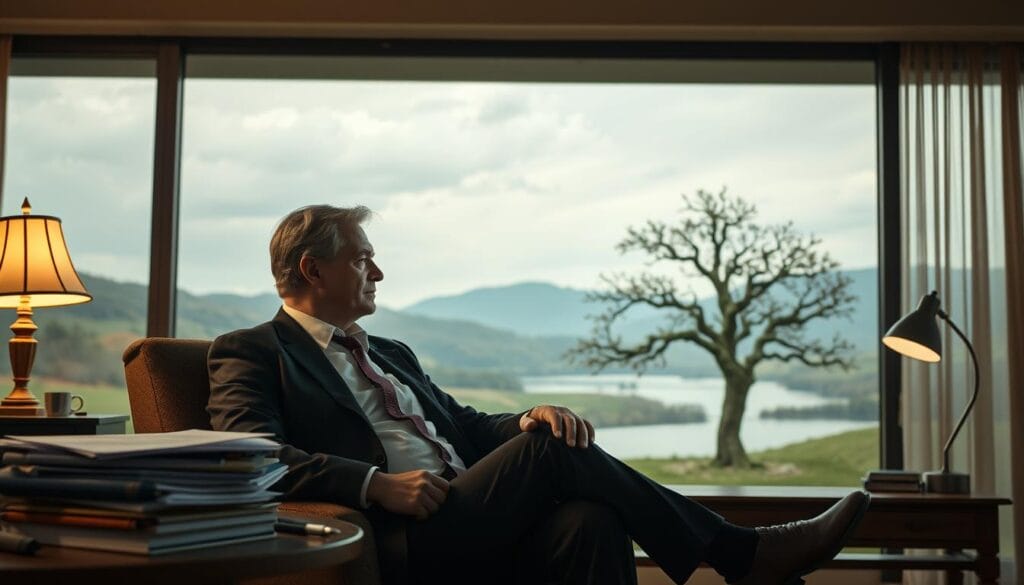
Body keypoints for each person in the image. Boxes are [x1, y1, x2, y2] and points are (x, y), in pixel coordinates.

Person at [207, 204, 870, 585]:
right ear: (312, 268)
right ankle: (740, 555)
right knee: (548, 454)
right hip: (401, 536)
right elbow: (251, 456)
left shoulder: (390, 352)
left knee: (589, 516)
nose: (378, 271)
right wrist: (374, 484)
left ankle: (741, 556)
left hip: (469, 511)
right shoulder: (253, 350)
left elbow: (461, 425)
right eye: (362, 257)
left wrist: (526, 415)